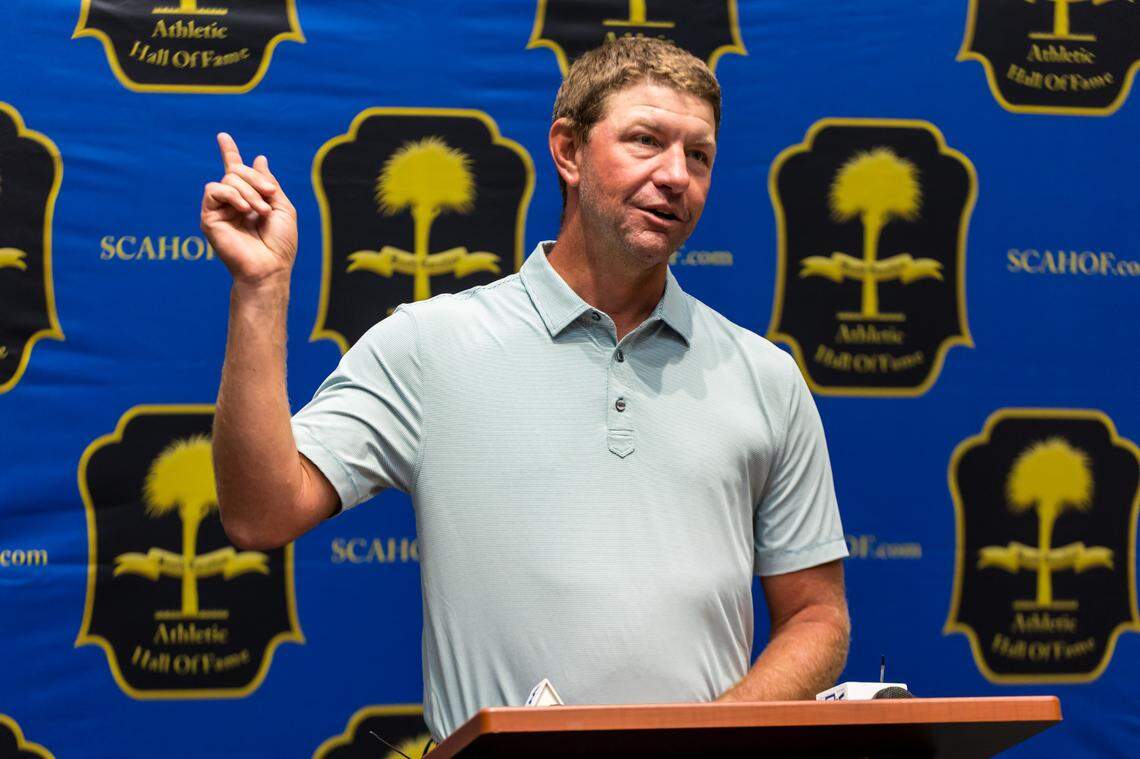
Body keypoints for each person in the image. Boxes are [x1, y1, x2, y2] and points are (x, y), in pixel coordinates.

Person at [201, 37, 849, 743]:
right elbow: (260, 513)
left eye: (699, 155)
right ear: (567, 151)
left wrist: (709, 737)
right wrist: (261, 292)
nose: (675, 175)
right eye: (645, 140)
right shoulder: (429, 343)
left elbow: (817, 617)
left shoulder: (765, 376)